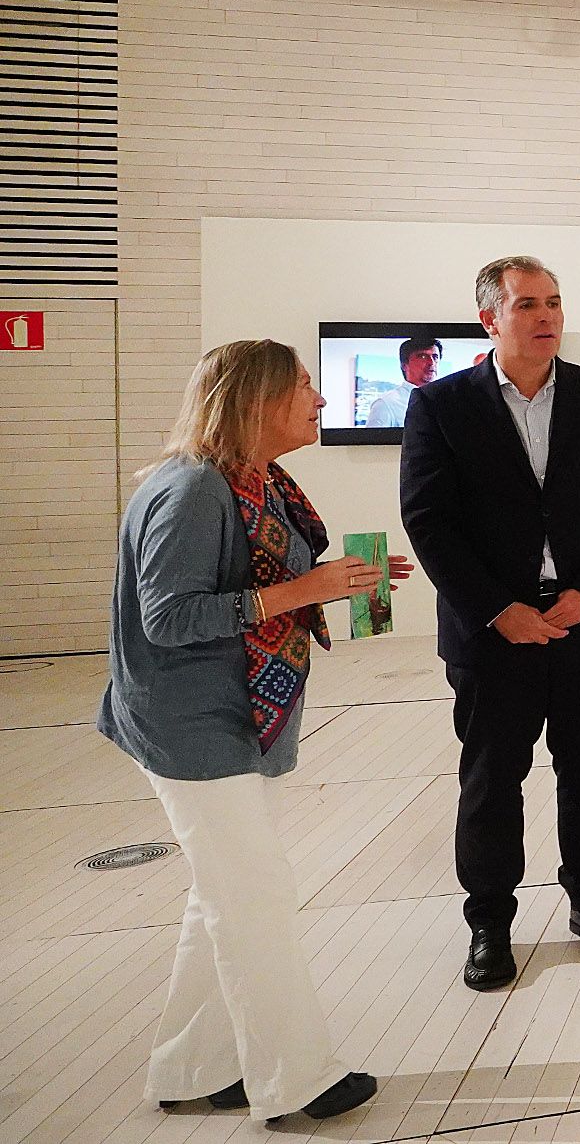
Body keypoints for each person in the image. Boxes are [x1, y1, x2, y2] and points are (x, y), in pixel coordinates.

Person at [99, 340, 409, 1123]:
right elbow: (167, 617)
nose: (321, 400)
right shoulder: (194, 488)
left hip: (228, 718)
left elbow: (257, 587)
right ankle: (296, 1081)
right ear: (257, 399)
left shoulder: (254, 481)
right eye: (305, 386)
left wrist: (335, 584)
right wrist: (305, 588)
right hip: (190, 727)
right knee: (256, 895)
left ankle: (188, 1069)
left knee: (224, 897)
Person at [398, 256, 580, 992]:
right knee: (490, 779)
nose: (546, 317)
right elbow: (428, 521)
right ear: (490, 319)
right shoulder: (442, 406)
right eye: (528, 304)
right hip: (491, 632)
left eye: (554, 303)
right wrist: (496, 608)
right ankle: (489, 923)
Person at [363, 335, 443, 428]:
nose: (432, 363)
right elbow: (373, 441)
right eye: (423, 356)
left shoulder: (446, 401)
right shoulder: (385, 404)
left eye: (435, 357)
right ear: (404, 365)